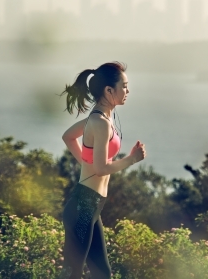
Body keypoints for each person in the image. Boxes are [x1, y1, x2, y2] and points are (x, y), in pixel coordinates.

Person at [59, 61, 146, 279]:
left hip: (92, 207)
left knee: (102, 274)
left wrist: (84, 161)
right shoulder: (100, 122)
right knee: (73, 274)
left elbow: (68, 137)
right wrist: (132, 159)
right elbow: (101, 169)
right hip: (83, 206)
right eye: (124, 86)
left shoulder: (102, 119)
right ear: (109, 90)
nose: (127, 91)